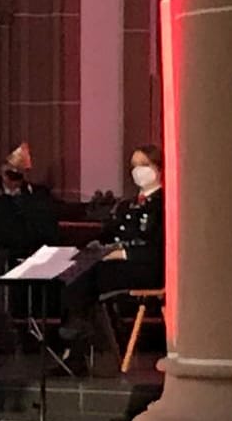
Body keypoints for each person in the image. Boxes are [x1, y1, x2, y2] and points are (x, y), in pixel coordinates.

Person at [60, 144, 166, 372]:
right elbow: (110, 232)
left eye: (144, 165)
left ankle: (76, 333)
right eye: (134, 166)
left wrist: (116, 253)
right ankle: (74, 337)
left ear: (158, 168)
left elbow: (155, 245)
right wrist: (93, 246)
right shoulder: (128, 205)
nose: (138, 171)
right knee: (77, 269)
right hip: (119, 262)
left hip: (146, 266)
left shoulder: (163, 204)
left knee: (90, 273)